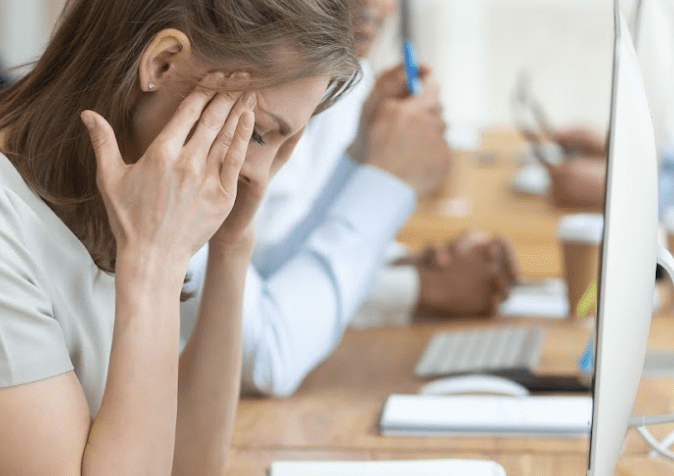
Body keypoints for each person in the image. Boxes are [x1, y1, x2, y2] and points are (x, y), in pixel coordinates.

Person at [0, 0, 361, 474]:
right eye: (260, 133)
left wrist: (230, 246)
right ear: (162, 64)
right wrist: (153, 262)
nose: (260, 170)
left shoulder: (112, 203)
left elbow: (189, 466)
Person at [180, 0, 519, 398]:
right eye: (261, 134)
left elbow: (257, 273)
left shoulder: (344, 77)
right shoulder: (210, 90)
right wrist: (385, 184)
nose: (372, 7)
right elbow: (268, 353)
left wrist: (361, 160)